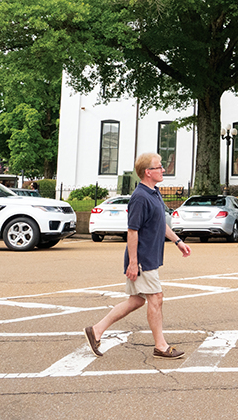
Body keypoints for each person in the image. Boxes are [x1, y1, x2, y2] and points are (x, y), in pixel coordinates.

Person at [85, 152, 192, 359]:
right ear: (147, 172)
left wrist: (177, 241)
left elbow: (160, 224)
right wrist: (134, 263)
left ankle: (96, 330)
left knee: (136, 301)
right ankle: (161, 346)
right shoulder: (140, 198)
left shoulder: (154, 193)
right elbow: (132, 231)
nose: (163, 169)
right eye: (159, 167)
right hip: (142, 259)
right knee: (156, 298)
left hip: (149, 257)